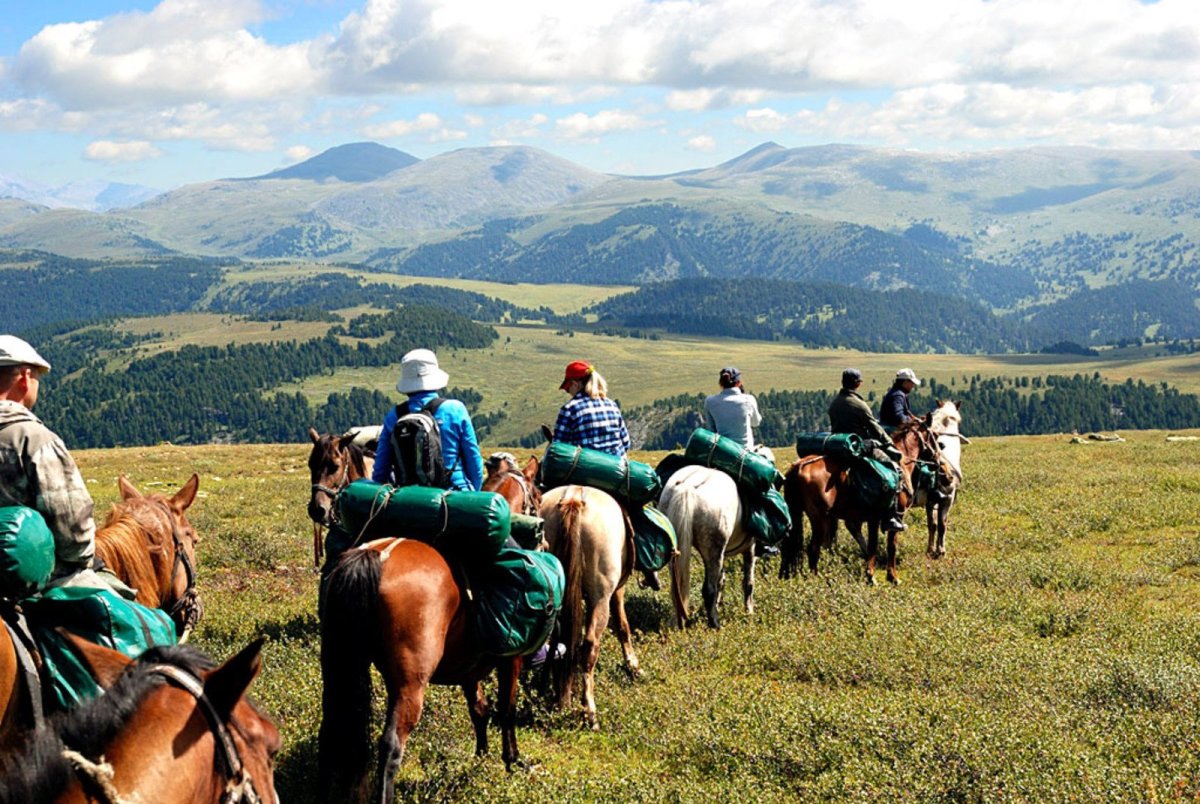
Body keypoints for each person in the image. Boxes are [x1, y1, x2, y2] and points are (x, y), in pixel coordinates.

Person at [0, 335, 133, 594]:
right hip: (37, 582)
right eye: (37, 377)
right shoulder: (34, 440)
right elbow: (75, 536)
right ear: (25, 378)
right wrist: (84, 557)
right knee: (133, 622)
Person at [372, 348, 484, 492]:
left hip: (407, 498)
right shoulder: (455, 410)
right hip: (454, 494)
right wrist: (473, 494)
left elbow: (380, 471)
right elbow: (474, 462)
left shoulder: (393, 416)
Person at [827, 368, 907, 532]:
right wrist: (889, 445)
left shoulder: (835, 402)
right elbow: (874, 427)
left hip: (838, 446)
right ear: (858, 383)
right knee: (894, 470)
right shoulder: (858, 404)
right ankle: (889, 516)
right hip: (859, 446)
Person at [552, 361, 630, 457]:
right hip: (617, 469)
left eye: (568, 388)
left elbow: (558, 450)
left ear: (575, 384)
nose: (568, 392)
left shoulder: (569, 409)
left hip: (585, 470)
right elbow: (626, 443)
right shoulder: (612, 405)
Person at [704, 366, 764, 450]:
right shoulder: (748, 399)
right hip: (745, 452)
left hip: (722, 451)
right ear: (739, 382)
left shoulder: (710, 401)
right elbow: (756, 423)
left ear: (721, 383)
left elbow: (711, 429)